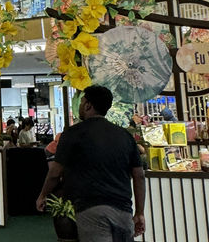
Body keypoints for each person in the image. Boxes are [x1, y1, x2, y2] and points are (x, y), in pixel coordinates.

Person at [36, 85, 146, 241]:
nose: (80, 106)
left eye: (81, 102)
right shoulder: (125, 136)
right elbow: (139, 176)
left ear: (88, 105)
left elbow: (55, 173)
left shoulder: (72, 134)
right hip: (123, 210)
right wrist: (140, 213)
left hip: (91, 210)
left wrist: (43, 195)